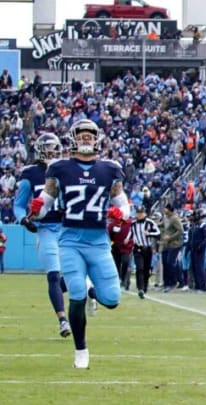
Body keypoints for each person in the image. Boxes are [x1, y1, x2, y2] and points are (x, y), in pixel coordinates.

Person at [29, 119, 131, 369]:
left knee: (112, 299)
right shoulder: (59, 167)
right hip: (70, 239)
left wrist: (121, 214)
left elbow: (124, 205)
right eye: (82, 135)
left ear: (97, 138)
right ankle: (81, 351)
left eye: (89, 135)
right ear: (73, 138)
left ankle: (91, 292)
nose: (86, 139)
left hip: (98, 241)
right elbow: (45, 205)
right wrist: (37, 210)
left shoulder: (110, 168)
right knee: (75, 292)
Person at [13, 133, 72, 336]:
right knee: (53, 275)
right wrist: (23, 220)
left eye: (53, 148)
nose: (50, 152)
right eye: (47, 148)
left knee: (75, 273)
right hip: (46, 228)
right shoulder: (30, 173)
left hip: (68, 228)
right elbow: (19, 205)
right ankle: (63, 320)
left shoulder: (65, 170)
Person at [131, 205, 160, 299]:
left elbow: (158, 233)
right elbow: (130, 234)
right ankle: (140, 288)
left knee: (146, 269)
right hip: (137, 248)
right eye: (138, 213)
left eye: (141, 213)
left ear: (145, 213)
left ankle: (145, 287)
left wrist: (149, 234)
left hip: (147, 248)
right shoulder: (133, 224)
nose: (139, 215)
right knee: (139, 268)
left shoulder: (150, 223)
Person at [107, 205, 133, 290]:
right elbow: (108, 234)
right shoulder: (113, 224)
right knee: (116, 264)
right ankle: (118, 280)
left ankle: (124, 279)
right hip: (116, 247)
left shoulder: (130, 223)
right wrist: (111, 242)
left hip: (126, 247)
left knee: (125, 262)